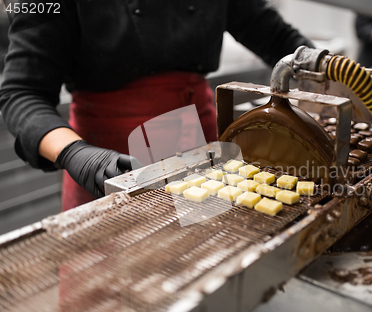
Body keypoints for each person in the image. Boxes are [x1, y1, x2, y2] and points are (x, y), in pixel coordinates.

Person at [0, 0, 313, 211]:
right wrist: (76, 154)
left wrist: (334, 72)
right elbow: (22, 93)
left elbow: (276, 37)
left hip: (201, 145)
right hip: (109, 161)